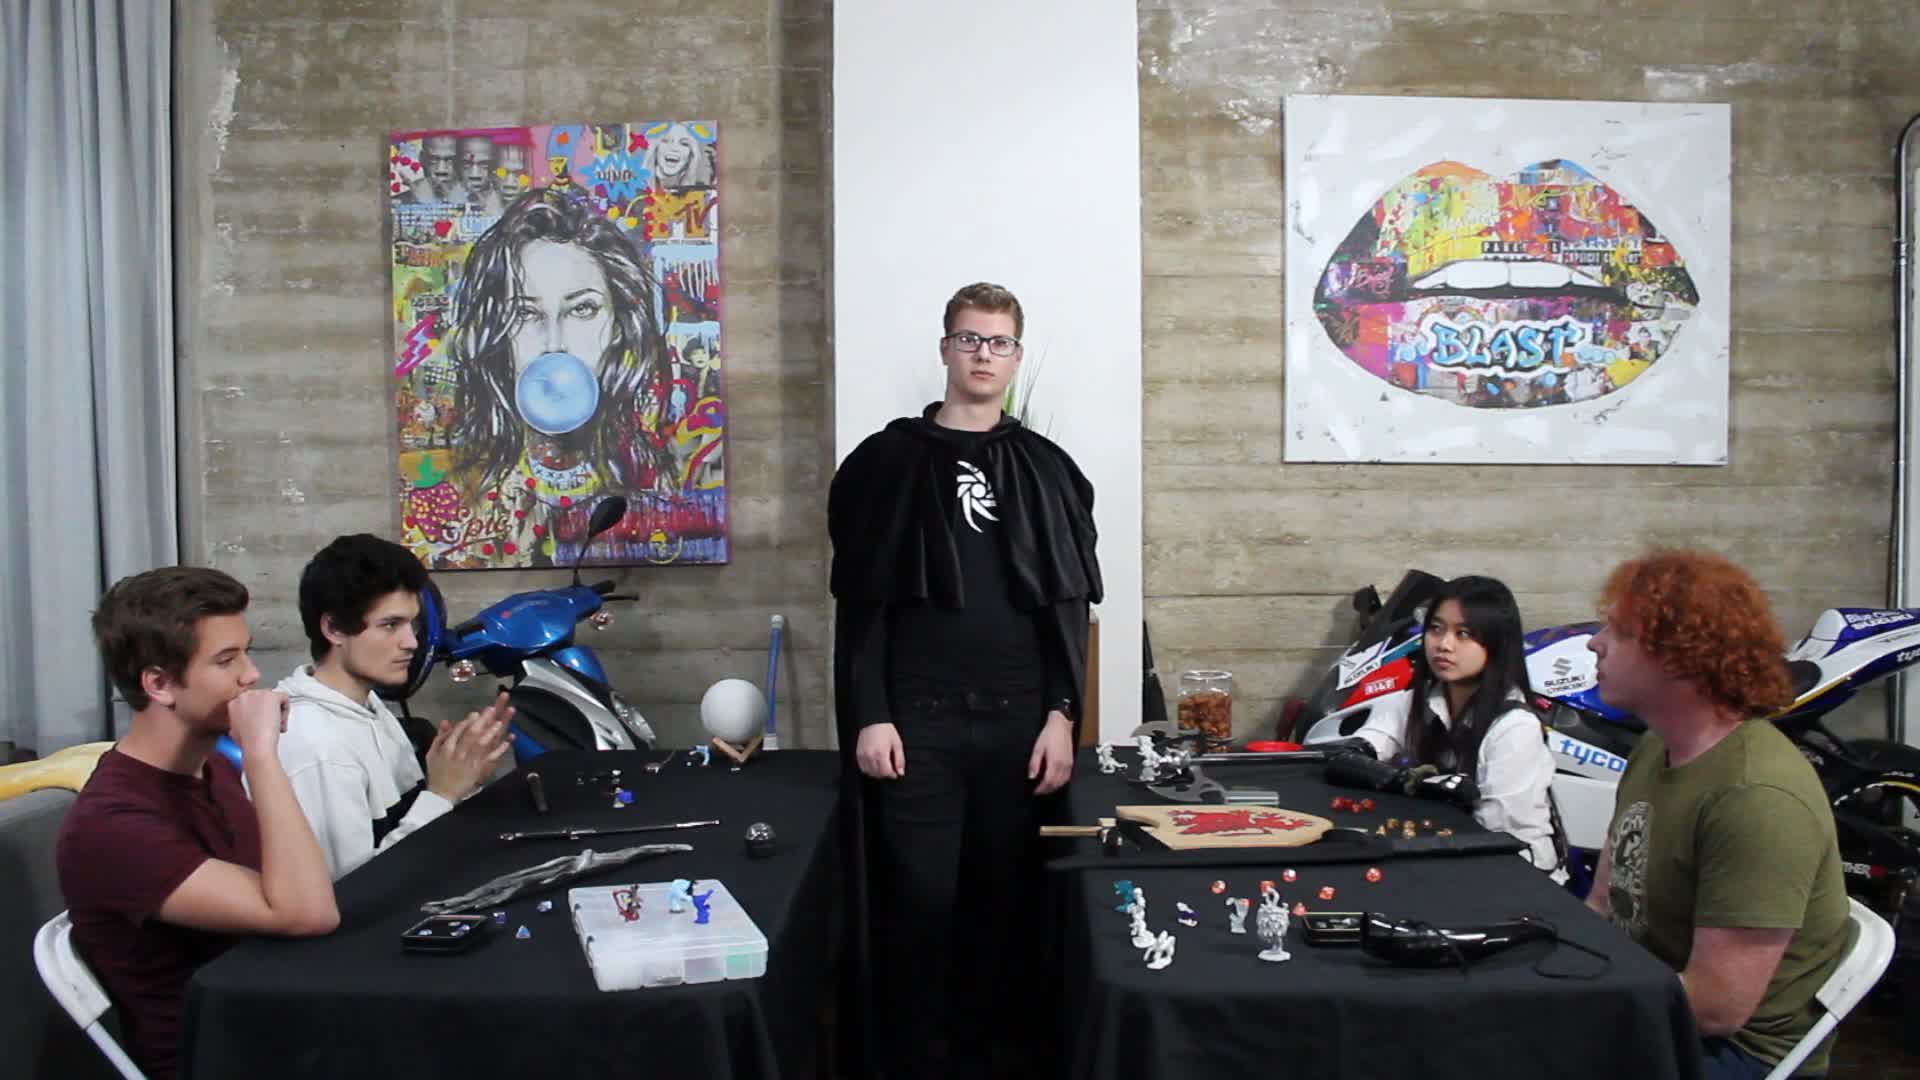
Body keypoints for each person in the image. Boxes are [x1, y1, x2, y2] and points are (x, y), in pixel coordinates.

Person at [829, 281, 1103, 1079]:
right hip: (917, 726)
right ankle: (911, 1060)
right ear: (945, 348)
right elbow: (863, 606)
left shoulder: (1047, 470)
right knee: (917, 902)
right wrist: (871, 712)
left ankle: (993, 1060)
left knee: (1004, 905)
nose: (984, 354)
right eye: (970, 339)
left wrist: (1063, 715)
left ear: (1016, 356)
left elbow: (1066, 608)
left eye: (999, 342)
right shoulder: (884, 464)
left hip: (1020, 727)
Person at [56, 568, 340, 1079]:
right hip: (222, 1058)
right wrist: (261, 755)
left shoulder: (211, 769)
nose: (251, 674)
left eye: (245, 653)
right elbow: (307, 912)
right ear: (160, 684)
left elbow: (291, 890)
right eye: (226, 660)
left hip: (283, 1020)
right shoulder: (112, 824)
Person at [1583, 550, 1849, 1079]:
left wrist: (1564, 1005)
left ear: (1679, 657)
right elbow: (1602, 905)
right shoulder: (1655, 747)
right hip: (1649, 998)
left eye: (1619, 632)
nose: (1595, 643)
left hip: (1733, 1052)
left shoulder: (1757, 797)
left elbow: (1715, 1008)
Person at [435, 186, 676, 567]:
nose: (555, 343)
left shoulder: (657, 478)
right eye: (525, 313)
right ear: (498, 333)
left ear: (618, 325)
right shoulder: (463, 486)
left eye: (582, 309)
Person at [275, 534, 514, 879]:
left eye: (412, 625)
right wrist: (442, 794)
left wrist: (461, 779)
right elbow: (352, 891)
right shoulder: (317, 747)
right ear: (334, 629)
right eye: (390, 625)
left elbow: (404, 826)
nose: (412, 642)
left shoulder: (365, 703)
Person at [1351, 575, 1561, 877]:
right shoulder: (1417, 701)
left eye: (1464, 633)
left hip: (1517, 873)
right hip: (1447, 856)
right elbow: (1359, 749)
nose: (1444, 645)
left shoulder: (1515, 727)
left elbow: (1500, 834)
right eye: (1436, 629)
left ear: (1496, 642)